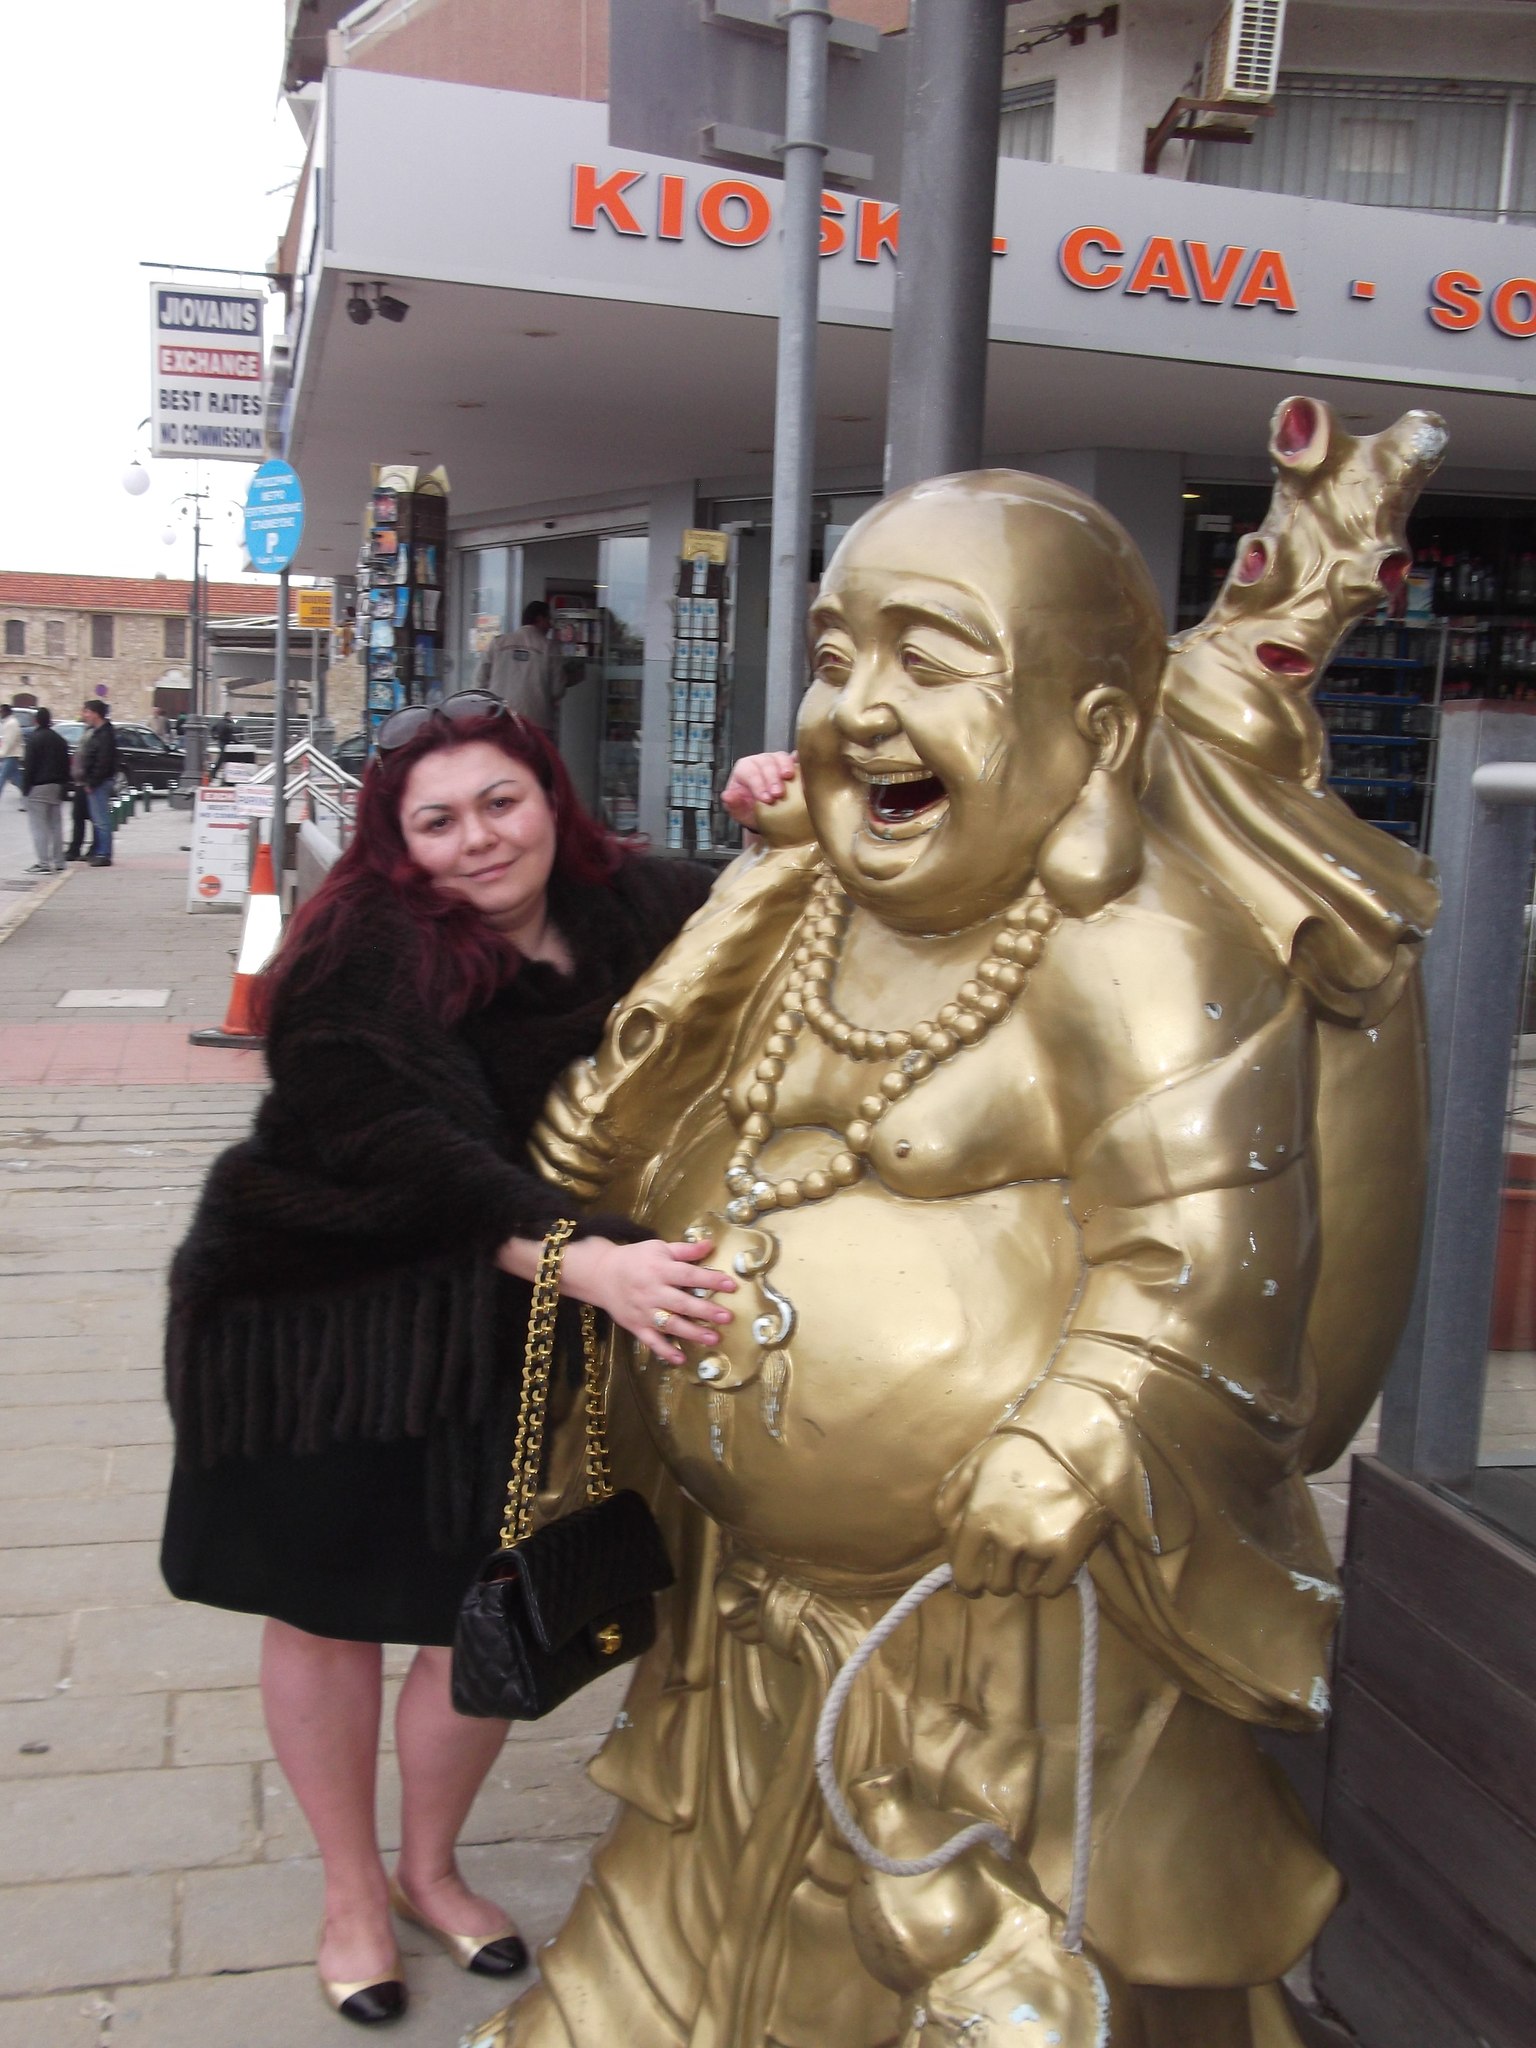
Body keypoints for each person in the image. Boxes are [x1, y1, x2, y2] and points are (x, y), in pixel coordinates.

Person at [469, 410, 1443, 2048]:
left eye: (928, 660)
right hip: (744, 1618)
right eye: (835, 656)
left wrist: (1072, 1433)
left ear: (1096, 728)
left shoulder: (1139, 950)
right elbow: (637, 1114)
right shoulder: (802, 902)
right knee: (668, 1962)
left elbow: (1210, 1251)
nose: (862, 708)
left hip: (1000, 1646)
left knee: (998, 1967)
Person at [160, 691, 788, 2029]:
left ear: (550, 796)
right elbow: (407, 1154)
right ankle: (350, 1890)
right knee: (325, 1610)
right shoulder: (356, 953)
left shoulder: (632, 901)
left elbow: (775, 914)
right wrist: (587, 1260)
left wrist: (780, 810)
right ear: (398, 843)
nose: (480, 840)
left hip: (500, 1326)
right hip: (319, 1327)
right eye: (438, 822)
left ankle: (431, 1868)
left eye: (502, 802)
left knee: (475, 1610)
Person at [475, 601, 561, 736]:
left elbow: (480, 681)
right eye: (548, 620)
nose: (550, 626)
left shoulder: (498, 643)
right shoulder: (549, 648)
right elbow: (557, 689)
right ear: (539, 618)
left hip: (500, 717)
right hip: (537, 721)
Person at [20, 707, 68, 873]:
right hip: (57, 786)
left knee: (39, 827)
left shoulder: (34, 739)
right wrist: (64, 788)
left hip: (38, 787)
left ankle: (43, 863)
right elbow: (66, 766)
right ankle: (59, 861)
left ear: (36, 721)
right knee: (55, 826)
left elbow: (29, 766)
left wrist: (25, 789)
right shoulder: (60, 740)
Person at [78, 702, 119, 867]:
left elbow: (103, 762)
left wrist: (92, 782)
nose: (85, 715)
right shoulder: (98, 732)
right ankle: (99, 851)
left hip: (99, 782)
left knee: (101, 819)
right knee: (98, 819)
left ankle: (104, 853)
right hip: (96, 781)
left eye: (87, 712)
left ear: (96, 714)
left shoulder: (104, 735)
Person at [0, 703, 23, 802]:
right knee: (16, 778)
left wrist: (1, 753)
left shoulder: (11, 724)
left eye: (1, 711)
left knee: (2, 777)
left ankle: (27, 793)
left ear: (6, 712)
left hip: (11, 755)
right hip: (11, 754)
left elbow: (9, 741)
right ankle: (28, 793)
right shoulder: (9, 723)